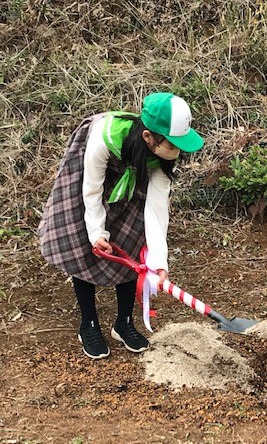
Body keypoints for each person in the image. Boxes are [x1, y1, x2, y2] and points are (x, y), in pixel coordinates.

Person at [38, 93, 204, 359]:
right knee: (85, 246)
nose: (177, 151)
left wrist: (159, 261)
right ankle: (88, 324)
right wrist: (96, 234)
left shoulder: (161, 157)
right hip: (92, 177)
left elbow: (157, 208)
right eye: (172, 144)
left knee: (133, 242)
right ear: (149, 137)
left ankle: (123, 323)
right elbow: (92, 190)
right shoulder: (105, 137)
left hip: (134, 174)